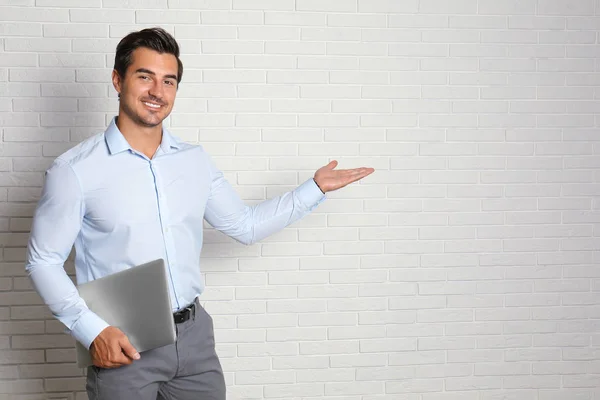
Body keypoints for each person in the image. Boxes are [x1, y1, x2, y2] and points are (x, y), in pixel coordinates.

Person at [25, 27, 374, 400]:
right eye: (145, 77)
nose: (157, 92)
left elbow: (243, 225)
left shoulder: (194, 161)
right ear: (117, 79)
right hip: (123, 343)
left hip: (194, 342)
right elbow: (43, 260)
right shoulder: (75, 171)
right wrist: (92, 330)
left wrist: (314, 189)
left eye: (169, 81)